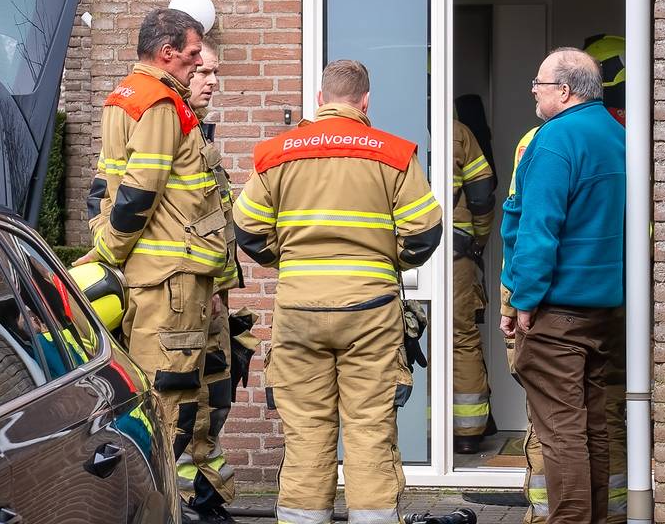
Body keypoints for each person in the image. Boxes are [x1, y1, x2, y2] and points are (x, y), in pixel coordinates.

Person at [233, 60, 442, 524]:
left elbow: (246, 228)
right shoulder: (394, 154)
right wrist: (389, 263)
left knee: (306, 432)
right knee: (370, 429)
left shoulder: (278, 154)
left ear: (320, 99)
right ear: (365, 101)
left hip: (298, 309)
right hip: (371, 310)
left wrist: (288, 263)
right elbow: (425, 231)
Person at [76, 8, 227, 490]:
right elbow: (139, 191)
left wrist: (103, 243)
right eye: (192, 54)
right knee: (169, 399)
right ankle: (153, 500)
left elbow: (104, 185)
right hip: (170, 277)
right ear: (167, 53)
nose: (197, 63)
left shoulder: (124, 96)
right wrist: (108, 252)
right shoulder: (162, 104)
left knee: (147, 389)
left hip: (152, 274)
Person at [500, 48, 625, 524]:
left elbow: (538, 229)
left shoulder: (554, 140)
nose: (534, 91)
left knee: (560, 431)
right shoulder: (617, 135)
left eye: (540, 83)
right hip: (604, 310)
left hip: (558, 314)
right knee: (593, 425)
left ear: (565, 90)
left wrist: (523, 302)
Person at [177, 41, 247, 524]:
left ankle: (206, 500)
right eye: (203, 72)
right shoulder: (166, 135)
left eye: (215, 73)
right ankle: (185, 506)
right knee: (185, 410)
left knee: (214, 402)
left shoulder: (200, 137)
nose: (212, 81)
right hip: (182, 303)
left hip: (211, 303)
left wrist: (221, 293)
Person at [450, 117, 496, 454]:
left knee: (403, 339)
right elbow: (481, 196)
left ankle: (421, 434)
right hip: (455, 251)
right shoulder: (459, 132)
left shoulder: (381, 131)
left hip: (400, 250)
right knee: (461, 337)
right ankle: (468, 432)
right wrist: (477, 241)